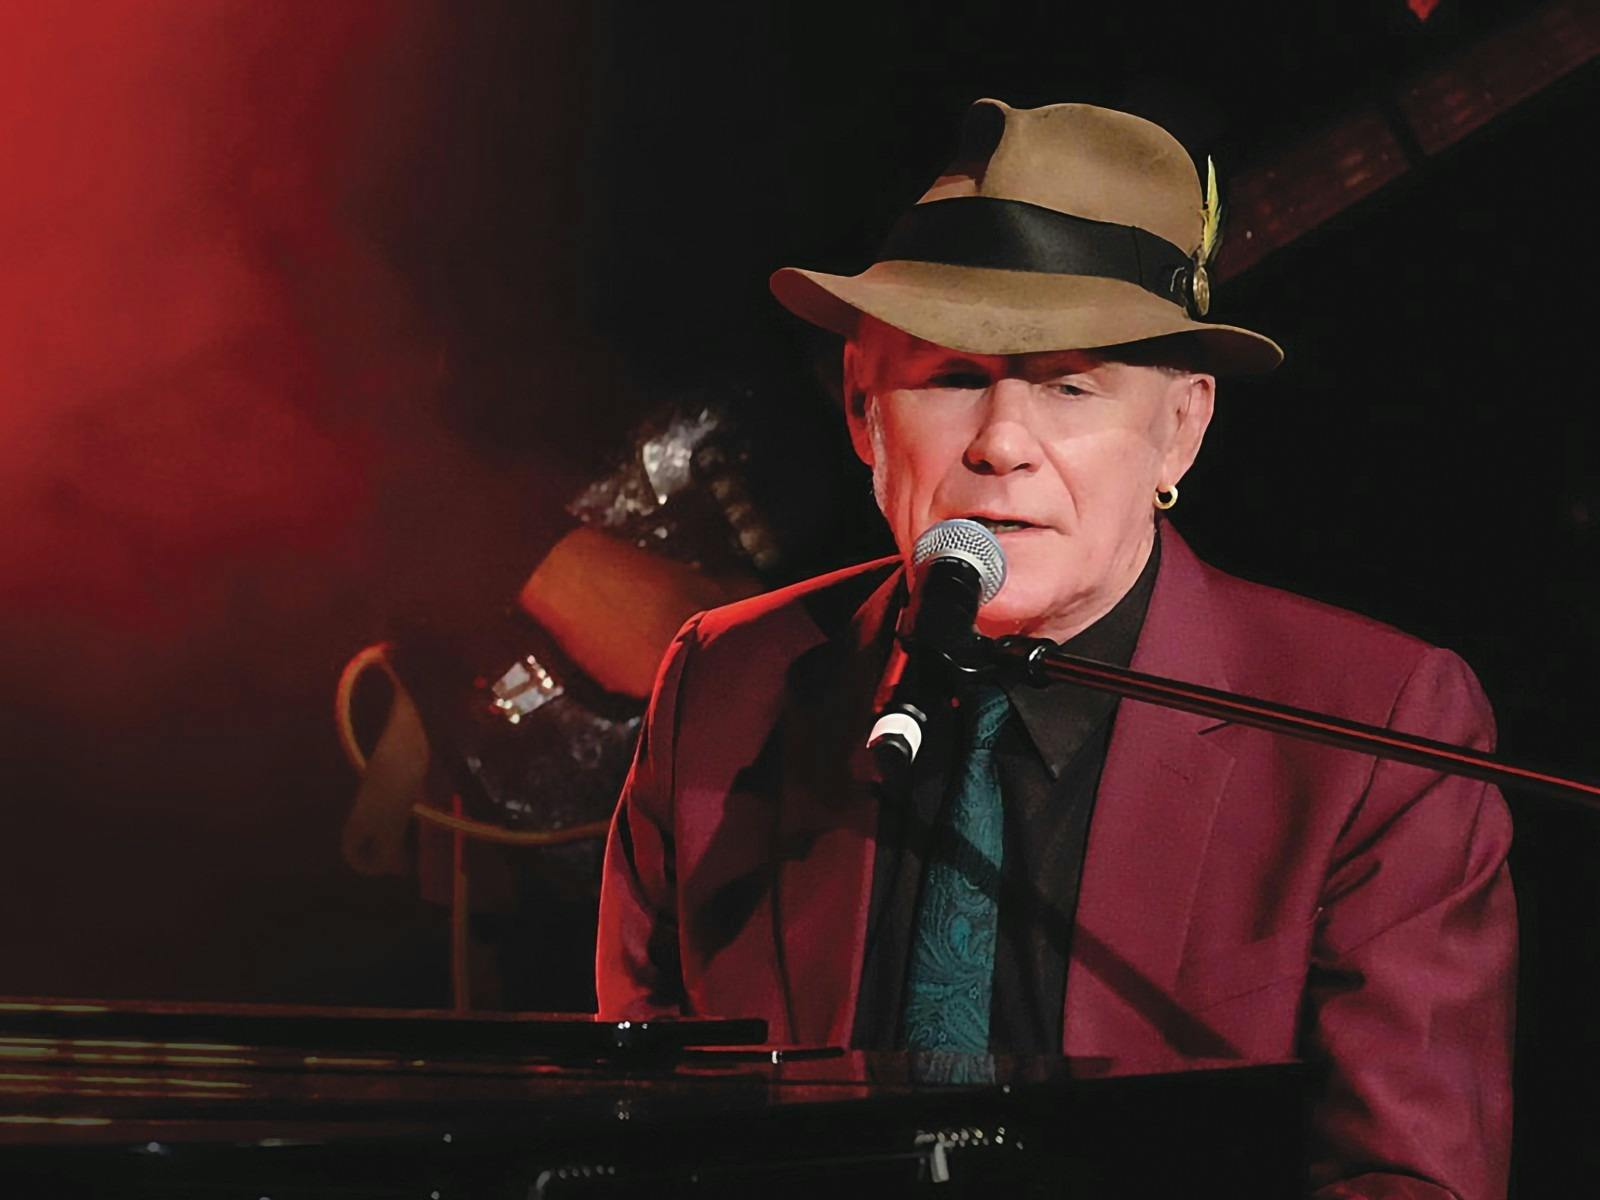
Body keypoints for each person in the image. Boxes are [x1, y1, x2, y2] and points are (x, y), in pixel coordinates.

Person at [596, 99, 1515, 1198]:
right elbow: (630, 1134)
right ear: (861, 410)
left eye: (1071, 386)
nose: (1001, 444)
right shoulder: (726, 685)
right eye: (952, 378)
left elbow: (1409, 1179)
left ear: (1181, 429)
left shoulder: (1373, 729)